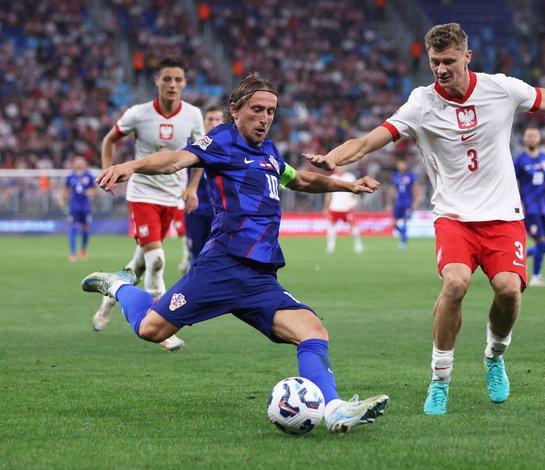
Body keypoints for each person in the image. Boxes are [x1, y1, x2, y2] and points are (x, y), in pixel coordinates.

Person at [304, 23, 545, 415]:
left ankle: (494, 357)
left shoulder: (501, 89)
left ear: (467, 57)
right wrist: (333, 157)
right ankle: (440, 380)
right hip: (453, 216)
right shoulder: (421, 103)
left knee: (508, 290)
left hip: (503, 215)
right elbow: (367, 141)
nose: (440, 69)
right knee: (455, 283)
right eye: (435, 62)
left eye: (448, 61)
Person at [81, 73, 389, 433]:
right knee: (151, 329)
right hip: (222, 267)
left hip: (260, 277)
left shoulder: (270, 153)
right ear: (235, 110)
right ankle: (119, 285)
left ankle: (334, 408)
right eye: (257, 110)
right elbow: (176, 160)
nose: (264, 118)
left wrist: (347, 184)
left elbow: (300, 180)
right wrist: (130, 166)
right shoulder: (222, 141)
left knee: (313, 331)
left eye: (271, 111)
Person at [91, 56, 205, 353]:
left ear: (185, 83)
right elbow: (109, 140)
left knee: (141, 263)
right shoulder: (139, 114)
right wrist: (109, 172)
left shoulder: (193, 115)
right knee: (157, 260)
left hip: (171, 196)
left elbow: (201, 155)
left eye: (178, 79)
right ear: (157, 81)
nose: (172, 84)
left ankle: (108, 300)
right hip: (142, 194)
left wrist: (192, 187)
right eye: (167, 79)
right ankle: (163, 326)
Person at [514, 126, 545, 287]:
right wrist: (517, 201)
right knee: (541, 242)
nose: (532, 138)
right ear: (525, 139)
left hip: (544, 207)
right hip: (530, 207)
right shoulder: (519, 161)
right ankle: (535, 277)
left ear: (539, 139)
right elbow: (511, 182)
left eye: (535, 135)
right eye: (529, 135)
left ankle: (523, 255)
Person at [182, 105, 225, 269]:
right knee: (198, 256)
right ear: (203, 123)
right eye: (210, 119)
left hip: (221, 213)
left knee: (219, 257)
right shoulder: (193, 146)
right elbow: (176, 168)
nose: (213, 123)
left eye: (217, 119)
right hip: (196, 211)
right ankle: (192, 290)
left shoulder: (229, 148)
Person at [60, 156, 96, 262]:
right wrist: (62, 200)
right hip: (74, 207)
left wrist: (90, 192)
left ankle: (83, 250)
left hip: (85, 207)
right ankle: (73, 253)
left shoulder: (89, 176)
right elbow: (66, 189)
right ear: (74, 164)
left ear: (84, 164)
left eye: (81, 162)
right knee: (73, 228)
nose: (79, 164)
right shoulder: (70, 176)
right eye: (77, 162)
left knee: (85, 228)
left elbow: (94, 189)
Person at [323, 165, 364, 254]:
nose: (339, 169)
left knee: (353, 226)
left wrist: (354, 203)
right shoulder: (332, 178)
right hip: (335, 207)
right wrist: (326, 207)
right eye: (337, 167)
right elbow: (328, 194)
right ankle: (330, 247)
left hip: (347, 207)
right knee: (332, 227)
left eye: (341, 167)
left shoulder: (350, 177)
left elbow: (356, 192)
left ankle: (358, 245)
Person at [387, 158, 420, 251]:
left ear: (406, 165)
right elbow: (393, 190)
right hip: (398, 202)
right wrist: (390, 203)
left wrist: (415, 202)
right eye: (400, 164)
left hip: (407, 202)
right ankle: (403, 235)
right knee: (394, 223)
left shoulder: (411, 176)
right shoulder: (395, 176)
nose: (401, 166)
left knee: (405, 220)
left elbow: (416, 189)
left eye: (403, 164)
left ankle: (402, 242)